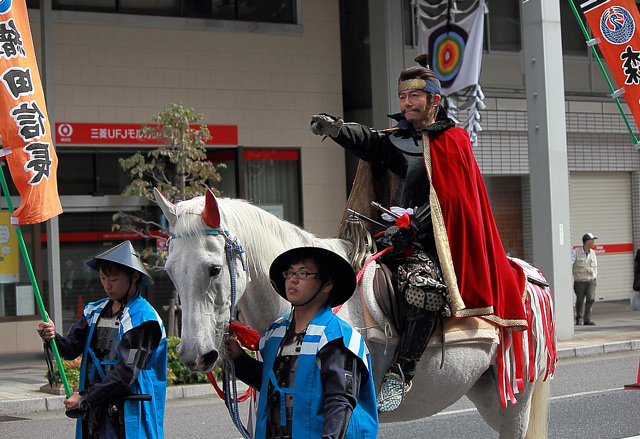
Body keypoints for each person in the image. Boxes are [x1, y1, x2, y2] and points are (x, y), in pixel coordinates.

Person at [309, 54, 528, 395]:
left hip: (425, 244)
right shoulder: (395, 139)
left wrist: (413, 228)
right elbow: (369, 141)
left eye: (414, 97)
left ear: (434, 100)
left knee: (425, 291)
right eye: (402, 97)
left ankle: (402, 371)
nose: (406, 103)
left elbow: (451, 202)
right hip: (380, 238)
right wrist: (338, 129)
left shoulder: (454, 142)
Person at [225, 247, 378, 439]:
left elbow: (340, 402)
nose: (292, 279)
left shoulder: (337, 338)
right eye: (289, 273)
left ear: (327, 283)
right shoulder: (275, 333)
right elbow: (270, 384)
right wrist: (239, 359)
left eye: (303, 273)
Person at [38, 241, 167, 439]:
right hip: (96, 409)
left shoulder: (143, 319)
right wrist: (53, 337)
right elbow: (71, 348)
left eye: (114, 279)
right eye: (102, 278)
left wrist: (85, 399)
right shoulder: (94, 311)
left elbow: (126, 373)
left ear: (134, 277)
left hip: (128, 410)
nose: (107, 285)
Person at [572, 232, 598, 325]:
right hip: (580, 281)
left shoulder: (593, 253)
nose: (594, 243)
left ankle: (587, 319)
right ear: (587, 242)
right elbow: (570, 264)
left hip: (591, 280)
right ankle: (579, 318)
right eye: (592, 241)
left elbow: (595, 266)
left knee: (591, 298)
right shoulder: (576, 252)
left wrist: (595, 277)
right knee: (580, 299)